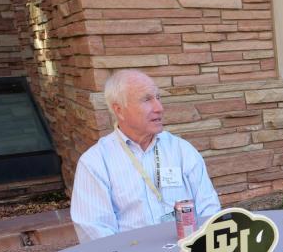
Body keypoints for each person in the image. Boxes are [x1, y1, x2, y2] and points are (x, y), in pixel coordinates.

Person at [71, 69, 220, 241]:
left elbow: (209, 208)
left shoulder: (181, 149)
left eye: (158, 98)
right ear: (119, 110)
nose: (159, 108)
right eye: (146, 99)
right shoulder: (95, 162)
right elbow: (94, 230)